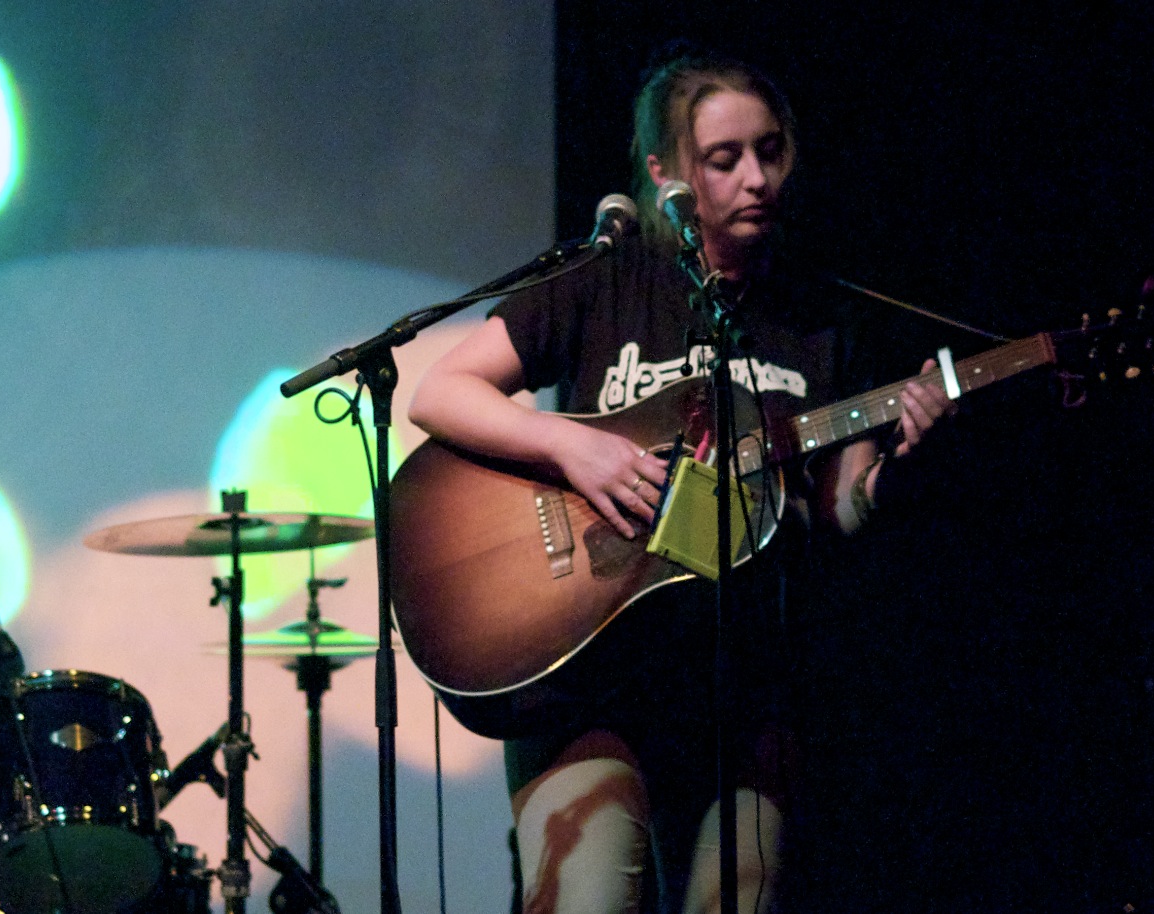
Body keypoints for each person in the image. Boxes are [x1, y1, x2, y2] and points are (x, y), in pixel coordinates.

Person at [408, 46, 955, 914]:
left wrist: (897, 469)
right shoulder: (606, 280)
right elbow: (439, 392)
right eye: (724, 158)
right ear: (666, 175)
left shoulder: (818, 319)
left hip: (746, 683)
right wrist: (570, 447)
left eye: (770, 151)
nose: (757, 178)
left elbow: (837, 508)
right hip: (585, 669)